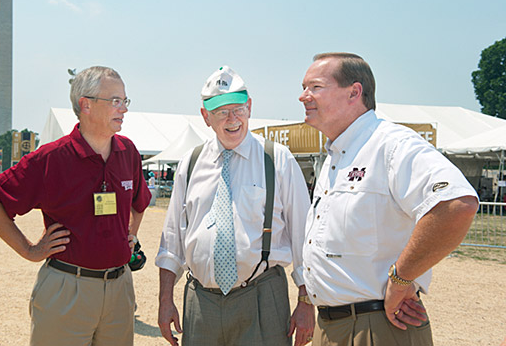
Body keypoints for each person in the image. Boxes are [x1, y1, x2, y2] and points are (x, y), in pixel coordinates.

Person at [298, 53, 479, 346]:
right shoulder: (337, 155)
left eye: (315, 87)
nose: (303, 96)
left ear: (354, 92)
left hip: (379, 326)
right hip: (330, 326)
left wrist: (401, 280)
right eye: (304, 87)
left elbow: (455, 204)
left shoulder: (391, 144)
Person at [0, 66, 151, 346]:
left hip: (120, 289)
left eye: (125, 101)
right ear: (86, 105)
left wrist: (131, 236)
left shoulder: (128, 151)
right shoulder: (51, 158)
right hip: (68, 288)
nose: (124, 109)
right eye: (115, 101)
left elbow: (140, 202)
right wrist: (29, 250)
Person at [157, 65, 313, 346]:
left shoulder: (277, 159)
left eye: (238, 109)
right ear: (205, 116)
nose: (232, 119)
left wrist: (305, 301)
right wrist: (165, 299)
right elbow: (171, 241)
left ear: (250, 107)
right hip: (200, 301)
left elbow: (304, 235)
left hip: (262, 297)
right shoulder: (190, 164)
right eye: (220, 112)